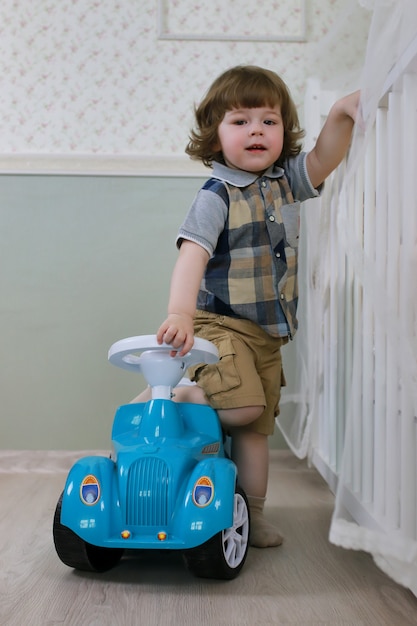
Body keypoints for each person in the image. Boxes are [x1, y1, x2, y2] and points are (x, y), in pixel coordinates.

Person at [133, 65, 359, 548]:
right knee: (247, 406)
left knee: (257, 430)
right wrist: (180, 314)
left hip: (267, 333)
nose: (257, 129)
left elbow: (324, 157)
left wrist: (341, 112)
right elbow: (191, 253)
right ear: (215, 138)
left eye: (269, 121)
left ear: (282, 132)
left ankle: (249, 516)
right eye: (240, 121)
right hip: (219, 324)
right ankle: (176, 395)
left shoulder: (283, 181)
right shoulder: (216, 194)